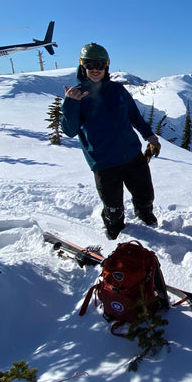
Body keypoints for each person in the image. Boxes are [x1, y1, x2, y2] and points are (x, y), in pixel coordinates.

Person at [61, 43, 161, 240]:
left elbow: (134, 116)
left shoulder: (117, 90)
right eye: (91, 64)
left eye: (100, 64)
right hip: (104, 162)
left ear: (107, 66)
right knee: (113, 206)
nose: (96, 69)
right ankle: (114, 226)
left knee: (145, 195)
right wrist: (71, 104)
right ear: (83, 66)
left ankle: (145, 214)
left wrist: (150, 136)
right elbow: (70, 130)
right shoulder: (77, 95)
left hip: (132, 154)